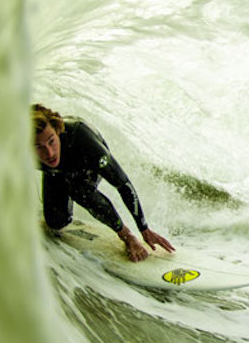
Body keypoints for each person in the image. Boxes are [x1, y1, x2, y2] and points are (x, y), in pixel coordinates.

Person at [32, 104, 175, 262]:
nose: (49, 153)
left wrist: (144, 229)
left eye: (52, 141)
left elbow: (123, 184)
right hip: (57, 172)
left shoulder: (82, 140)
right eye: (39, 147)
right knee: (56, 223)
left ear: (57, 131)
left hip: (85, 166)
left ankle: (127, 236)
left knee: (77, 189)